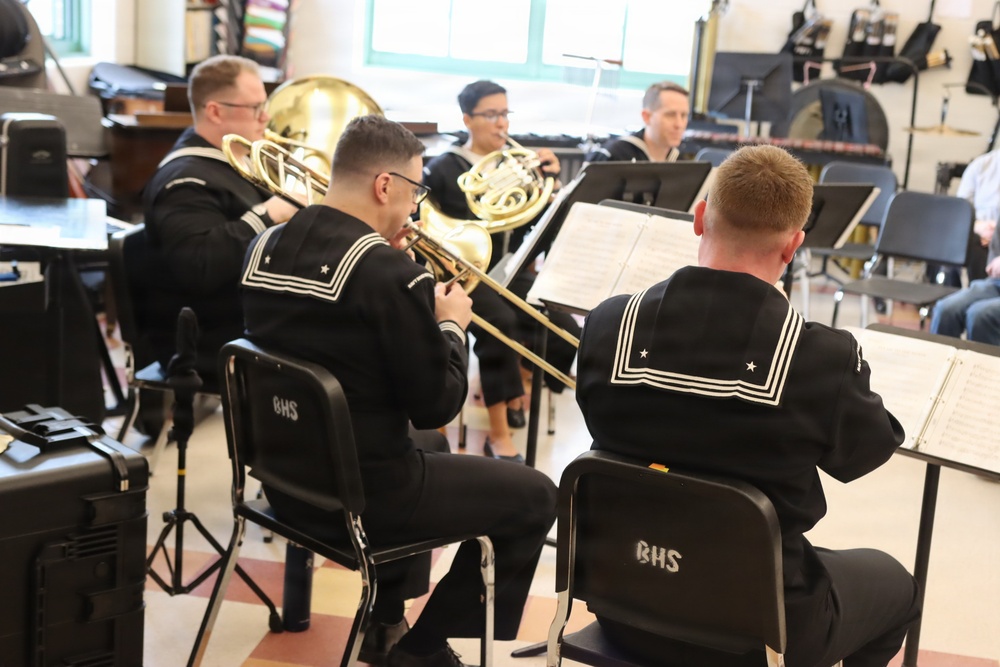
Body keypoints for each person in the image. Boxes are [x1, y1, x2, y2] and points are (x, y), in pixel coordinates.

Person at [576, 145, 920, 667]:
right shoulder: (818, 357)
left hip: (625, 604)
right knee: (897, 586)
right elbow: (865, 455)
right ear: (794, 246)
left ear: (698, 217)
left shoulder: (607, 325)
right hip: (759, 632)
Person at [240, 114, 558, 667]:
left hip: (283, 479)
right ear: (385, 185)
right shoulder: (389, 275)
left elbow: (336, 347)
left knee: (428, 446)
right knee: (536, 495)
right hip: (364, 496)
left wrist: (405, 293)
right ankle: (423, 649)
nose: (414, 208)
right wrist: (451, 323)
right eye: (415, 192)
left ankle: (385, 620)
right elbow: (439, 402)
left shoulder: (263, 245)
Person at [422, 79, 575, 460]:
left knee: (563, 326)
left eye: (505, 113)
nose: (501, 123)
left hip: (513, 268)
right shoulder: (445, 167)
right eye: (491, 115)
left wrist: (551, 186)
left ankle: (516, 385)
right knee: (503, 326)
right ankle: (499, 430)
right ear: (467, 119)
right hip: (464, 274)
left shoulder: (516, 163)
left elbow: (537, 230)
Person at [142, 54, 297, 385]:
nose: (265, 117)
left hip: (243, 319)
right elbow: (200, 265)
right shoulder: (184, 180)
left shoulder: (236, 163)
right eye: (255, 108)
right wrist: (270, 214)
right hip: (209, 338)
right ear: (215, 110)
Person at [929, 149, 1000, 344]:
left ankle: (983, 374)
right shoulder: (983, 165)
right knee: (946, 309)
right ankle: (941, 371)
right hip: (997, 283)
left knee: (980, 315)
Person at [584, 81, 690, 163]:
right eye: (670, 115)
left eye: (684, 115)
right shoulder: (612, 156)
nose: (679, 124)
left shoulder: (682, 164)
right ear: (646, 117)